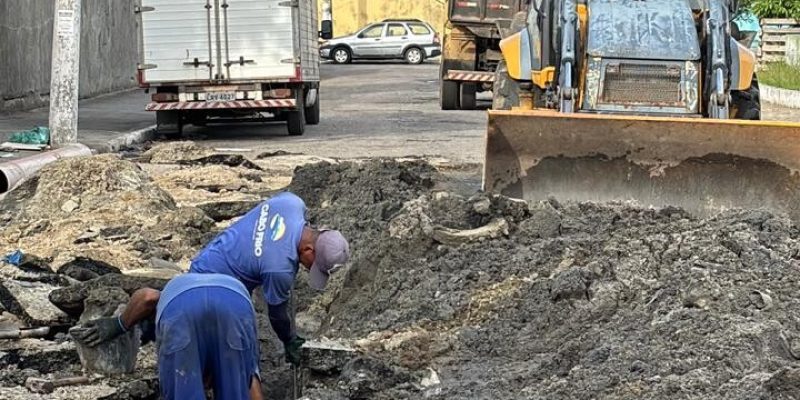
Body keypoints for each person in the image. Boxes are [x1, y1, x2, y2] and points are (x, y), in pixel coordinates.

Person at [72, 191, 350, 399]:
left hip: (203, 270)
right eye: (310, 266)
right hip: (233, 299)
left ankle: (163, 342)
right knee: (239, 371)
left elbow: (146, 297)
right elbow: (277, 313)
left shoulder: (292, 203)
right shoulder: (279, 269)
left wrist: (119, 324)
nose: (306, 269)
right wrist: (290, 340)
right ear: (309, 251)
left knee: (185, 378)